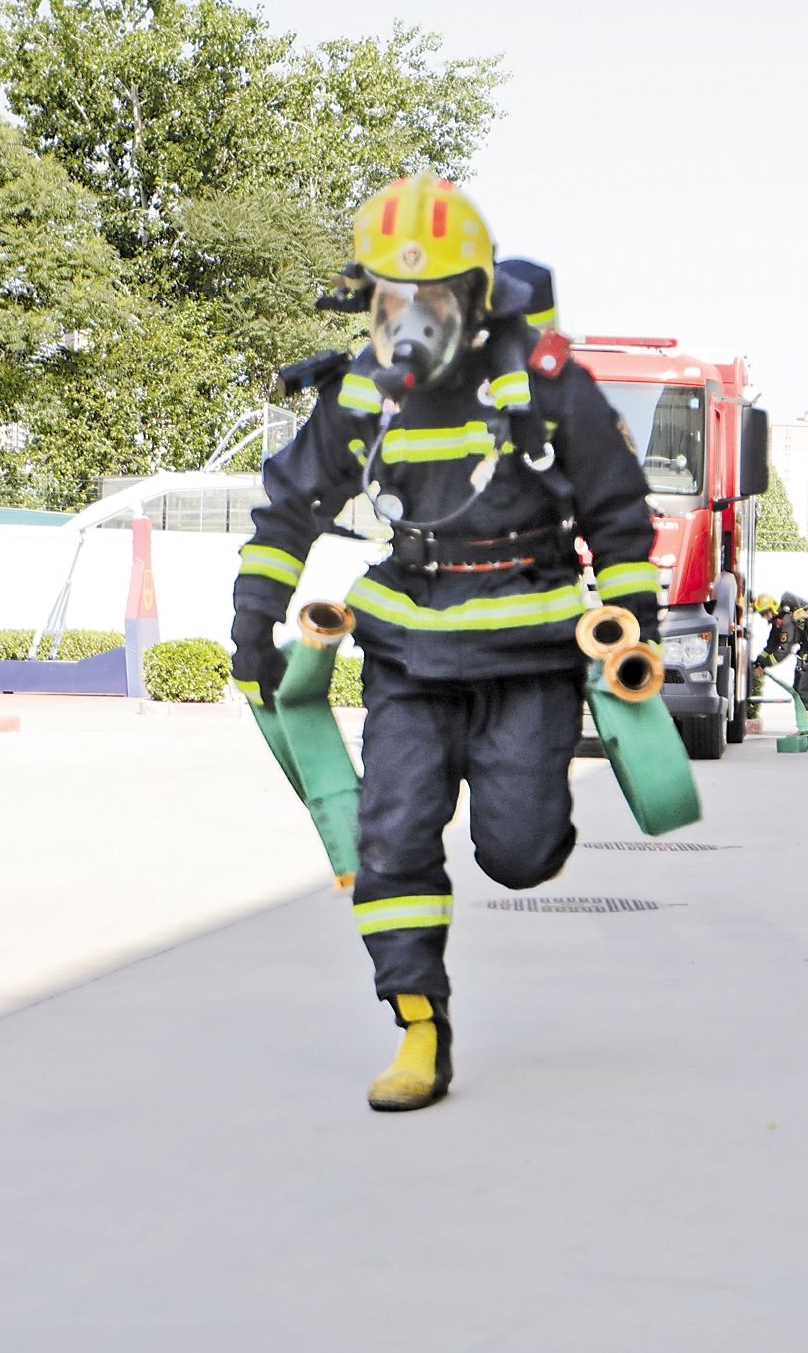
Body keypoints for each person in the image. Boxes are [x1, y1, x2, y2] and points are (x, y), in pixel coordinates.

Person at [230, 175, 661, 1112]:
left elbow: (618, 512)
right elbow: (290, 506)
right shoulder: (362, 389)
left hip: (528, 651)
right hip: (409, 654)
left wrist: (637, 632)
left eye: (432, 298)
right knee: (390, 840)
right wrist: (253, 618)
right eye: (394, 299)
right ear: (369, 299)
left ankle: (528, 826)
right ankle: (420, 1025)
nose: (411, 320)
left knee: (519, 853)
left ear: (474, 296)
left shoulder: (544, 381)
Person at [751, 591, 808, 719]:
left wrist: (765, 663)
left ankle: (807, 726)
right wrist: (759, 661)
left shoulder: (787, 621)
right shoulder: (778, 623)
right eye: (762, 614)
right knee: (798, 690)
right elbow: (771, 645)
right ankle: (803, 724)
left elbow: (784, 650)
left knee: (806, 693)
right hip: (805, 658)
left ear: (772, 608)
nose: (764, 616)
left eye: (765, 612)